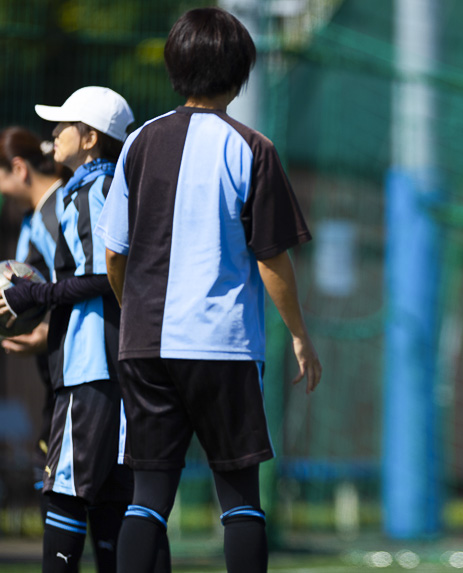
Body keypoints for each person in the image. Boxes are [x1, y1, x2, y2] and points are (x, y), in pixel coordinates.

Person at [94, 7, 322, 573]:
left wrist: (137, 314)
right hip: (221, 346)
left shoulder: (139, 142)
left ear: (175, 66)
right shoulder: (252, 148)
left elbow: (114, 253)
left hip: (145, 345)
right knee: (240, 498)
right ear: (240, 74)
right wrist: (298, 334)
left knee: (147, 497)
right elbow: (272, 260)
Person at [0, 87, 135, 572]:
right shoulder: (89, 188)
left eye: (64, 126)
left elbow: (106, 276)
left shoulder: (95, 190)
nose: (53, 134)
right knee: (117, 498)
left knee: (66, 493)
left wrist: (34, 295)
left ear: (91, 138)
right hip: (99, 364)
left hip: (91, 364)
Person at [0, 126, 66, 510]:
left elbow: (78, 284)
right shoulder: (33, 217)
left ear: (20, 168)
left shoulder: (57, 214)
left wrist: (47, 331)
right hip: (53, 375)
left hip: (77, 374)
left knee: (68, 501)